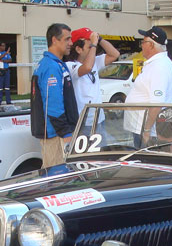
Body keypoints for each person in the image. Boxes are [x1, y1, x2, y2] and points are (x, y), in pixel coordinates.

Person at [31, 23, 78, 167]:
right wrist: (65, 134)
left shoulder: (57, 64)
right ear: (54, 40)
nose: (71, 43)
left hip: (57, 133)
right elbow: (53, 106)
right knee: (57, 180)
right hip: (55, 135)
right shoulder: (51, 66)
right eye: (67, 39)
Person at [123, 26, 172, 148]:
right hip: (142, 128)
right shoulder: (156, 64)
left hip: (150, 131)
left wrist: (147, 130)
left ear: (151, 45)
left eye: (143, 42)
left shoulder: (159, 67)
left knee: (144, 165)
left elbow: (157, 103)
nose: (141, 45)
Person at [64, 27, 120, 133]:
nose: (93, 50)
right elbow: (86, 68)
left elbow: (115, 55)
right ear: (78, 49)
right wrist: (94, 44)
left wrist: (100, 40)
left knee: (102, 149)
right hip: (82, 122)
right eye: (89, 47)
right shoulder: (70, 66)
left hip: (99, 119)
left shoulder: (94, 62)